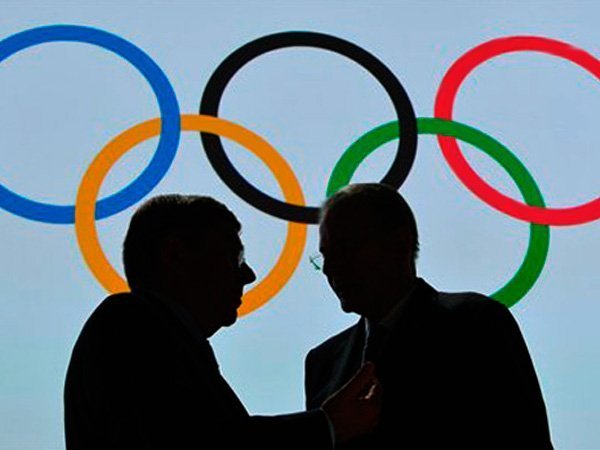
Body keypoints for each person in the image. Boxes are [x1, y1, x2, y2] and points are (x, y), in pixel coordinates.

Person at [64, 194, 380, 450]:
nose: (248, 275)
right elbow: (203, 443)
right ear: (175, 255)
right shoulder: (129, 324)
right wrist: (326, 426)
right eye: (234, 257)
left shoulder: (145, 332)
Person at [304, 183, 553, 449]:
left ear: (400, 244)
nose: (330, 268)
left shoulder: (475, 325)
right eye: (325, 256)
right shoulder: (323, 363)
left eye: (345, 249)